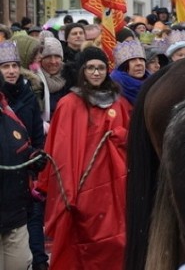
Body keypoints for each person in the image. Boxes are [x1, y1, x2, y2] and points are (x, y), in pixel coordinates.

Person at [38, 45, 133, 269]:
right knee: (80, 242)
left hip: (115, 188)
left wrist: (121, 136)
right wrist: (67, 193)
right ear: (82, 71)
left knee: (117, 240)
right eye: (90, 68)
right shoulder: (69, 104)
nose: (96, 73)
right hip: (82, 187)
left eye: (100, 68)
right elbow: (60, 152)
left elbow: (132, 141)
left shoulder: (119, 103)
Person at [0, 41, 48, 270]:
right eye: (5, 66)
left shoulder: (29, 96)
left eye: (14, 65)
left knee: (21, 261)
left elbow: (34, 139)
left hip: (21, 194)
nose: (11, 71)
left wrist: (36, 157)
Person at [35, 36, 71, 122]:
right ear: (40, 59)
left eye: (57, 56)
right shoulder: (34, 80)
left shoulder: (71, 78)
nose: (53, 61)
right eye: (48, 57)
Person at [111, 38, 150, 106]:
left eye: (141, 59)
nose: (139, 63)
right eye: (133, 60)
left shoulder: (154, 82)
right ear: (124, 65)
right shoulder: (114, 86)